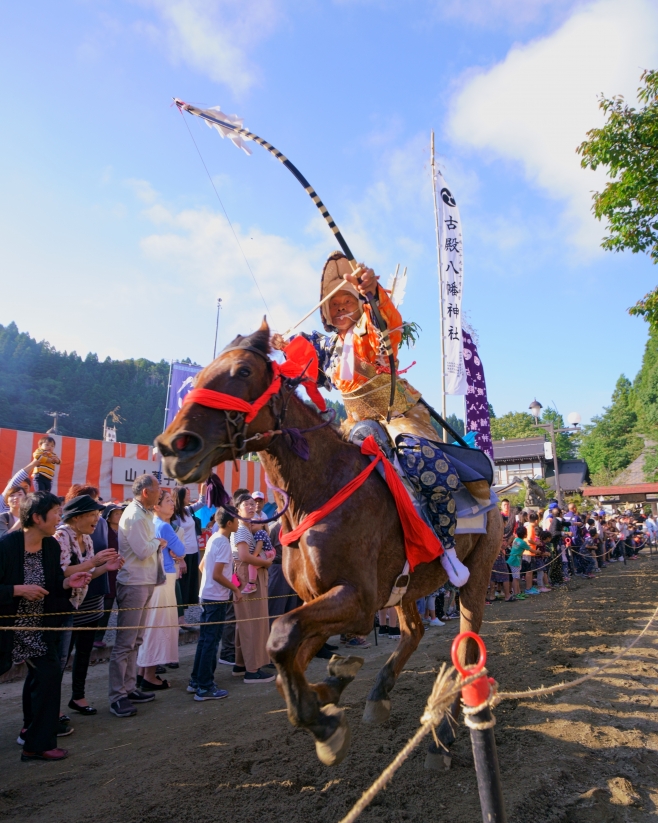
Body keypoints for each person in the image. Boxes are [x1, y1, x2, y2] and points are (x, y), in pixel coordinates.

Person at [271, 252, 475, 588]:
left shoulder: (369, 330)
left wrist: (373, 292)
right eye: (333, 305)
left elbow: (387, 325)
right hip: (356, 424)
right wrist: (285, 345)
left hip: (398, 416)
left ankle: (447, 547)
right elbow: (304, 363)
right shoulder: (327, 347)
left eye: (346, 301)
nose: (339, 310)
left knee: (424, 463)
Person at [0, 492, 91, 761]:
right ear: (37, 517)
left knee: (50, 675)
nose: (59, 518)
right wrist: (17, 590)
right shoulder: (5, 547)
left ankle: (36, 743)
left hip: (37, 628)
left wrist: (66, 584)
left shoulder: (51, 547)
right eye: (56, 513)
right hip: (7, 629)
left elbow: (52, 585)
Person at [55, 495, 124, 716]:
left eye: (98, 514)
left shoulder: (88, 536)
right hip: (67, 607)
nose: (98, 518)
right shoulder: (61, 536)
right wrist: (93, 563)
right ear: (77, 517)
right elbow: (62, 572)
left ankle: (78, 696)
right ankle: (51, 708)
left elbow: (89, 573)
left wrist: (107, 567)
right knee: (60, 658)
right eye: (93, 515)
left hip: (90, 602)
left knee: (83, 652)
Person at [108, 474, 166, 718]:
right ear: (146, 492)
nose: (160, 494)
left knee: (136, 640)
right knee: (125, 643)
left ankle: (129, 688)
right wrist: (159, 542)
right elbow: (143, 550)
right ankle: (117, 696)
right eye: (157, 490)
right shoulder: (133, 515)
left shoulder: (143, 513)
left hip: (144, 580)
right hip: (134, 582)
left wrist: (155, 542)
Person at [189, 510, 242, 700]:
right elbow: (217, 574)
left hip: (207, 595)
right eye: (236, 520)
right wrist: (235, 589)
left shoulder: (213, 538)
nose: (238, 523)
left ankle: (196, 680)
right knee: (211, 641)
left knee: (205, 640)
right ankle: (205, 686)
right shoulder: (223, 543)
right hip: (216, 599)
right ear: (229, 523)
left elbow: (203, 567)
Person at [135, 489, 185, 689]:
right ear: (156, 505)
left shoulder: (149, 523)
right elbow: (181, 551)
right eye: (167, 501)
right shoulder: (164, 527)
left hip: (153, 578)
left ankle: (142, 673)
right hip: (163, 578)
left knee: (150, 626)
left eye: (172, 500)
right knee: (159, 627)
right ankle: (149, 676)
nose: (172, 504)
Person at [231, 494, 275, 683]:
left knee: (248, 621)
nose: (250, 507)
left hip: (251, 574)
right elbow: (244, 557)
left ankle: (242, 664)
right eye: (245, 504)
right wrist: (266, 562)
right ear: (238, 509)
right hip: (247, 576)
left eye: (252, 504)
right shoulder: (241, 529)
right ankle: (252, 669)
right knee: (252, 622)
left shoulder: (249, 528)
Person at [172, 486, 204, 629]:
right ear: (180, 497)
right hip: (182, 554)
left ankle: (181, 618)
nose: (189, 497)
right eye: (187, 495)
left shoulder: (188, 510)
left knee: (189, 585)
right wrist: (181, 559)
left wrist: (203, 488)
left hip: (193, 552)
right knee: (181, 586)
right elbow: (175, 538)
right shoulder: (175, 515)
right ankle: (179, 619)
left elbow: (202, 502)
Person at [95, 504, 125, 648]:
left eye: (121, 513)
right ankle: (98, 636)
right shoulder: (104, 531)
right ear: (109, 516)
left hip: (122, 569)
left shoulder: (124, 531)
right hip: (107, 570)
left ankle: (123, 635)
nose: (119, 516)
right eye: (116, 514)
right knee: (106, 604)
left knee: (123, 605)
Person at [242, 527, 276, 595]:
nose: (252, 525)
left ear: (261, 524)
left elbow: (259, 545)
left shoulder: (259, 532)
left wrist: (253, 557)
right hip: (268, 553)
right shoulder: (261, 532)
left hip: (266, 554)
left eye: (254, 523)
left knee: (252, 565)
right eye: (251, 523)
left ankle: (251, 584)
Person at [508, 525, 528, 600]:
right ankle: (516, 593)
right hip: (515, 561)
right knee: (515, 578)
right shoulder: (522, 542)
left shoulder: (516, 539)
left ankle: (518, 592)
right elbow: (531, 550)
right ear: (525, 535)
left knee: (516, 577)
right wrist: (538, 552)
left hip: (515, 560)